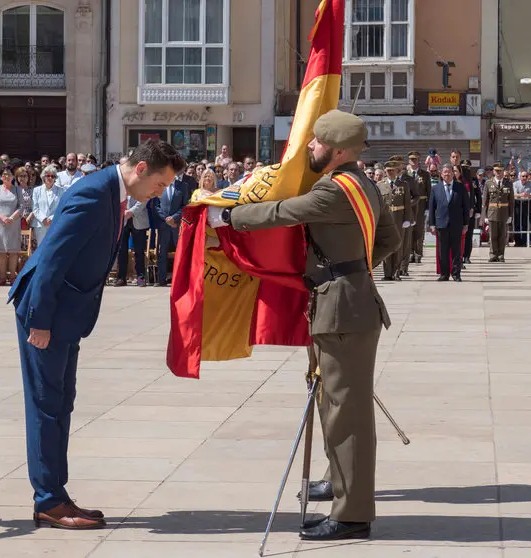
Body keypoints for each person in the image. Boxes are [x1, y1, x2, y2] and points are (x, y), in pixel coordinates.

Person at [208, 110, 400, 541]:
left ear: (334, 150)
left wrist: (224, 217)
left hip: (342, 308)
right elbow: (390, 240)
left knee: (345, 411)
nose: (310, 148)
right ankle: (339, 485)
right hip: (347, 302)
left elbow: (282, 211)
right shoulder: (364, 184)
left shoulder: (335, 189)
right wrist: (353, 270)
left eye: (315, 143)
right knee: (337, 405)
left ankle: (351, 515)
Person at [8, 140, 185, 530]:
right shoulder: (93, 192)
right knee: (47, 406)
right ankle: (49, 501)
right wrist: (39, 320)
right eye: (159, 184)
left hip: (65, 314)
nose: (159, 193)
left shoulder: (111, 191)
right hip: (47, 314)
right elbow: (52, 256)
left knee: (61, 403)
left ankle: (56, 493)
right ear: (141, 170)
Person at [429, 164, 470, 281]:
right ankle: (444, 274)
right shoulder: (435, 188)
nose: (447, 174)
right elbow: (432, 208)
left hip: (456, 224)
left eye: (449, 172)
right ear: (441, 174)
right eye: (445, 172)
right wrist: (432, 224)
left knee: (457, 250)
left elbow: (466, 207)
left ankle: (456, 274)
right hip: (441, 224)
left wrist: (466, 224)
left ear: (453, 173)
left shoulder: (460, 187)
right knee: (443, 251)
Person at [152, 174, 189, 286]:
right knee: (162, 252)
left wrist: (174, 218)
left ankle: (180, 279)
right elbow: (156, 206)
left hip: (177, 225)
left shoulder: (183, 186)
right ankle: (161, 280)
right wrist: (166, 218)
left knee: (180, 252)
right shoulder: (159, 185)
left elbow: (185, 205)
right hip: (164, 225)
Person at [0, 168, 23, 286]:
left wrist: (11, 218)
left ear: (13, 177)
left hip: (13, 223)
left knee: (13, 251)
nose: (6, 177)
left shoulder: (17, 189)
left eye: (9, 175)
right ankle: (2, 277)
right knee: (2, 251)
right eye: (4, 175)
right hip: (0, 224)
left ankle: (12, 278)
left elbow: (21, 206)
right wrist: (2, 218)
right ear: (1, 177)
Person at [482, 162, 515, 262]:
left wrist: (510, 215)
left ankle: (501, 255)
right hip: (492, 212)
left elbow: (511, 201)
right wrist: (485, 215)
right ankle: (493, 254)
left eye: (500, 171)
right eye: (496, 171)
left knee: (502, 235)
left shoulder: (508, 183)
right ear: (493, 171)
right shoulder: (488, 183)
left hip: (504, 212)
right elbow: (485, 201)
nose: (498, 173)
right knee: (493, 235)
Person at [407, 151, 432, 264]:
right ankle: (409, 253)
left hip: (421, 205)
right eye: (411, 159)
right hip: (409, 205)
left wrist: (428, 207)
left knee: (419, 231)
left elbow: (429, 192)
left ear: (419, 160)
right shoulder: (405, 174)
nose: (413, 161)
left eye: (415, 159)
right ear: (409, 161)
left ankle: (418, 254)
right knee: (409, 230)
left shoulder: (425, 174)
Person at [30, 165, 64, 247]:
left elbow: (61, 207)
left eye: (52, 176)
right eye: (48, 175)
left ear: (55, 178)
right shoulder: (36, 190)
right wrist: (44, 219)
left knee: (53, 248)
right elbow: (35, 208)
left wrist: (51, 219)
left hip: (54, 224)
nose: (50, 178)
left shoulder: (61, 191)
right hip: (40, 224)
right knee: (40, 248)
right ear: (43, 177)